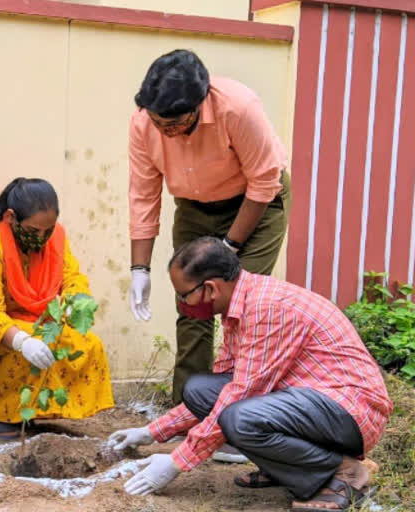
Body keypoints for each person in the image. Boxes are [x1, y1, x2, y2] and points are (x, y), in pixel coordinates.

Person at [109, 237, 392, 511]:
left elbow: (239, 396)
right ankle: (289, 469)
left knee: (238, 418)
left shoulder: (267, 309)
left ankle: (345, 472)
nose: (183, 303)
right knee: (200, 390)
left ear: (211, 288)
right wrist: (151, 432)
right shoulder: (239, 309)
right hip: (310, 402)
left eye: (184, 295)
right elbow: (224, 389)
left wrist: (176, 462)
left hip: (350, 411)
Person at [127, 49, 291, 409]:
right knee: (192, 304)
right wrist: (139, 269)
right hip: (194, 208)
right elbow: (143, 195)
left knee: (245, 307)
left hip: (255, 204)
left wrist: (230, 247)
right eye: (159, 123)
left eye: (175, 124)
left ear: (200, 104)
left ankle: (245, 414)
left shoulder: (238, 108)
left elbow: (265, 183)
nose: (166, 132)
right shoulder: (143, 123)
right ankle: (189, 409)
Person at [0, 178, 114, 437]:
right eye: (34, 231)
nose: (42, 238)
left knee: (87, 344)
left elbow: (72, 277)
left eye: (48, 230)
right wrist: (23, 342)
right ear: (11, 217)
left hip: (31, 320)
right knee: (34, 342)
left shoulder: (54, 236)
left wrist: (76, 303)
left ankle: (33, 410)